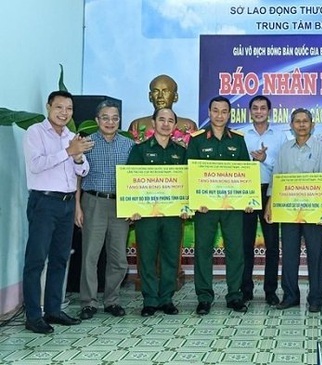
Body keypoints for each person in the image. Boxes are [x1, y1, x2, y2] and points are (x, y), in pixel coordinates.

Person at [22, 90, 93, 334]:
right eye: (59, 107)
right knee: (36, 260)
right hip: (44, 202)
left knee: (60, 258)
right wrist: (67, 152)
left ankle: (53, 309)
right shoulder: (35, 133)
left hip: (66, 204)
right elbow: (36, 164)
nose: (64, 113)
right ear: (48, 107)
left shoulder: (72, 137)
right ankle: (33, 315)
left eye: (69, 109)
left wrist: (77, 157)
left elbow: (82, 172)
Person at [186, 96, 250, 315]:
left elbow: (245, 174)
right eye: (215, 111)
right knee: (203, 250)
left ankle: (235, 295)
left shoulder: (238, 140)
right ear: (209, 113)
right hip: (206, 207)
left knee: (235, 250)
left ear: (229, 114)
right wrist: (196, 201)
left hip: (233, 208)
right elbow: (190, 173)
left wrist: (248, 200)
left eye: (224, 111)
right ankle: (204, 297)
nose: (219, 115)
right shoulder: (197, 140)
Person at [263, 108, 322, 313]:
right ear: (291, 125)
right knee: (289, 253)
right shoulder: (284, 149)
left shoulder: (321, 148)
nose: (301, 124)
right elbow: (277, 177)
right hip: (287, 210)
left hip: (313, 211)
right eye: (297, 121)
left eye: (305, 121)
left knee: (316, 255)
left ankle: (316, 298)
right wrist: (270, 203)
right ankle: (290, 295)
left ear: (312, 124)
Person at [75, 100, 134, 320]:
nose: (110, 122)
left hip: (120, 205)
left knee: (118, 258)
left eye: (115, 118)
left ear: (119, 121)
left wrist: (133, 206)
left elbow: (135, 179)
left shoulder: (129, 145)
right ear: (97, 120)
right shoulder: (87, 144)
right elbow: (77, 178)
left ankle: (112, 301)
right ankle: (88, 302)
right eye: (105, 118)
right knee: (90, 255)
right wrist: (77, 207)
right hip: (93, 203)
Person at [127, 108, 187, 317]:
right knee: (148, 257)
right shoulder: (140, 150)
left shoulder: (181, 152)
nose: (165, 124)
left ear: (174, 126)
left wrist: (186, 207)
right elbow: (130, 182)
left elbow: (188, 183)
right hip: (146, 215)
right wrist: (132, 209)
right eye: (161, 119)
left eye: (170, 120)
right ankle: (150, 300)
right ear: (153, 122)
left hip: (172, 215)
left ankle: (166, 298)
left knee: (171, 256)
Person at [241, 95, 286, 305]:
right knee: (245, 244)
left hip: (271, 191)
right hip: (246, 193)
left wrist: (265, 159)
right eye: (255, 108)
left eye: (263, 108)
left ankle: (270, 290)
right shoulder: (240, 135)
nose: (259, 111)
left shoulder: (279, 136)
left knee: (272, 245)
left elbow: (284, 165)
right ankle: (245, 289)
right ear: (250, 112)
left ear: (269, 111)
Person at [128, 74, 198, 136]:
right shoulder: (137, 125)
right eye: (156, 91)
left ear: (175, 96)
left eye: (165, 91)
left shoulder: (188, 125)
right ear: (150, 96)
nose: (160, 96)